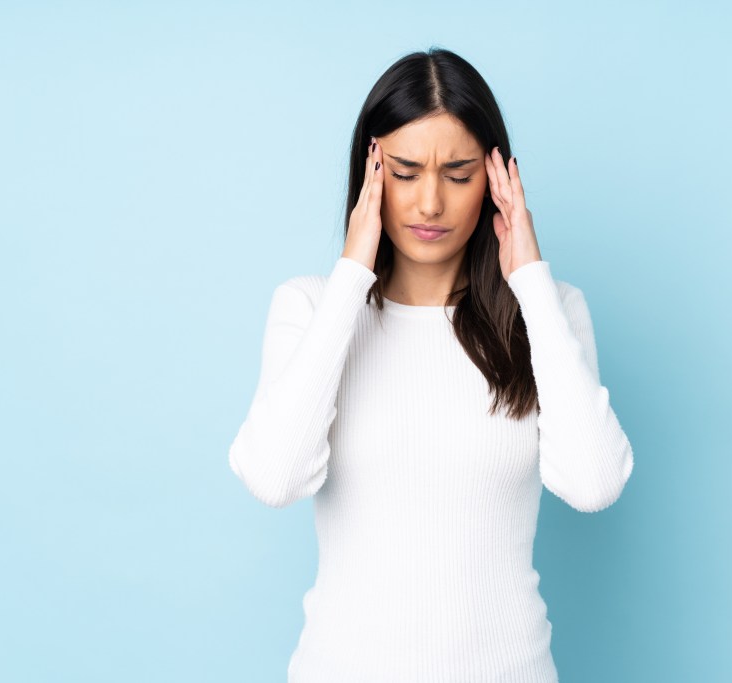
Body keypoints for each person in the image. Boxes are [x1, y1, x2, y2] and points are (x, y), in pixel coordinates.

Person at [228, 47, 634, 682]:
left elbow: (593, 484)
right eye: (406, 172)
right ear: (370, 171)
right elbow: (275, 478)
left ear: (499, 178)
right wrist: (351, 277)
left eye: (460, 173)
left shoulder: (551, 311)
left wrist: (529, 278)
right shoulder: (309, 307)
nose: (430, 204)